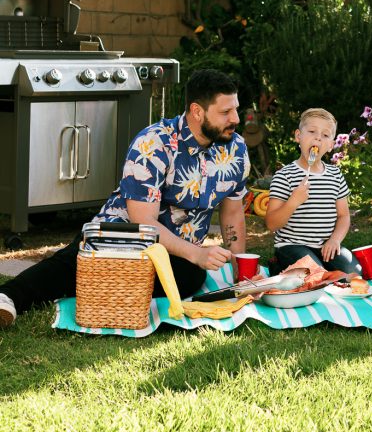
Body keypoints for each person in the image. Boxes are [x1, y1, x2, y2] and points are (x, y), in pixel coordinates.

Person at [0, 69, 249, 328]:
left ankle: (103, 288)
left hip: (178, 257)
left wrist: (241, 274)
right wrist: (197, 253)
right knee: (72, 265)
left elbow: (232, 212)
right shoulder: (154, 143)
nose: (235, 119)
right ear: (197, 111)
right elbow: (143, 221)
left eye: (235, 109)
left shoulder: (237, 149)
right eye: (225, 112)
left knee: (191, 278)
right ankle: (9, 298)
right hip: (121, 238)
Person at [265, 107, 359, 275]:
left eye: (325, 135)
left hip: (325, 246)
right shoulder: (284, 176)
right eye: (312, 131)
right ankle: (280, 265)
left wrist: (335, 240)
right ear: (298, 136)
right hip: (292, 245)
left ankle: (320, 275)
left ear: (331, 145)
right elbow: (272, 223)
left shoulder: (335, 175)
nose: (318, 137)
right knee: (315, 275)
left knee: (355, 273)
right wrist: (293, 201)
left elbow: (344, 215)